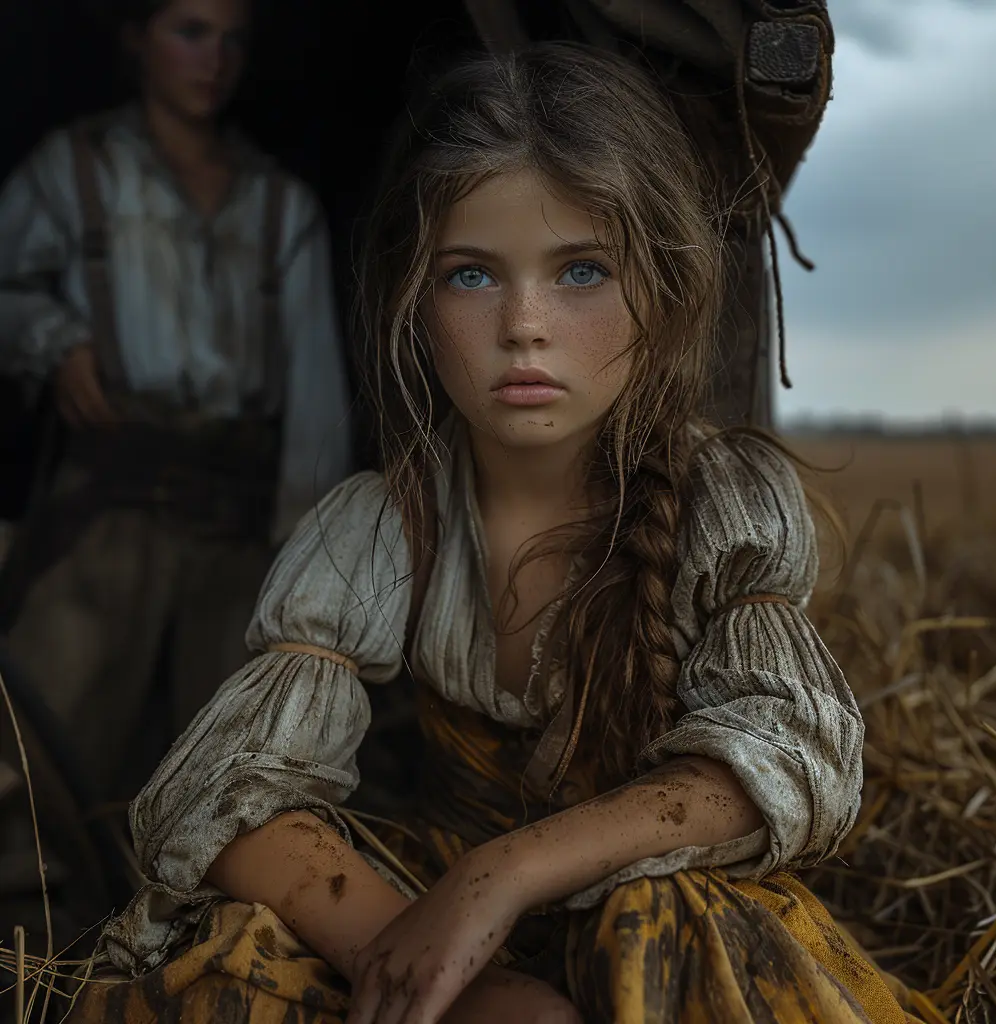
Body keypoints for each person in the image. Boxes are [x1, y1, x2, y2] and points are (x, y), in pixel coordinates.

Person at [74, 43, 915, 1024]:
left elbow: (793, 750)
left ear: (666, 287)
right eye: (471, 275)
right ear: (412, 302)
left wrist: (505, 872)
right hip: (430, 899)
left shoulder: (718, 504)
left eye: (582, 270)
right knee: (235, 964)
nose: (524, 325)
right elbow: (221, 792)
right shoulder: (382, 523)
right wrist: (444, 969)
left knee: (662, 921)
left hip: (645, 880)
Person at [0, 0, 352, 803]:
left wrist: (303, 556)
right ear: (136, 39)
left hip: (237, 523)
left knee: (226, 775)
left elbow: (316, 401)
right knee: (40, 755)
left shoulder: (279, 204)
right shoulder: (77, 168)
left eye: (234, 40)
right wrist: (54, 339)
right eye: (190, 32)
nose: (214, 61)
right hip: (108, 505)